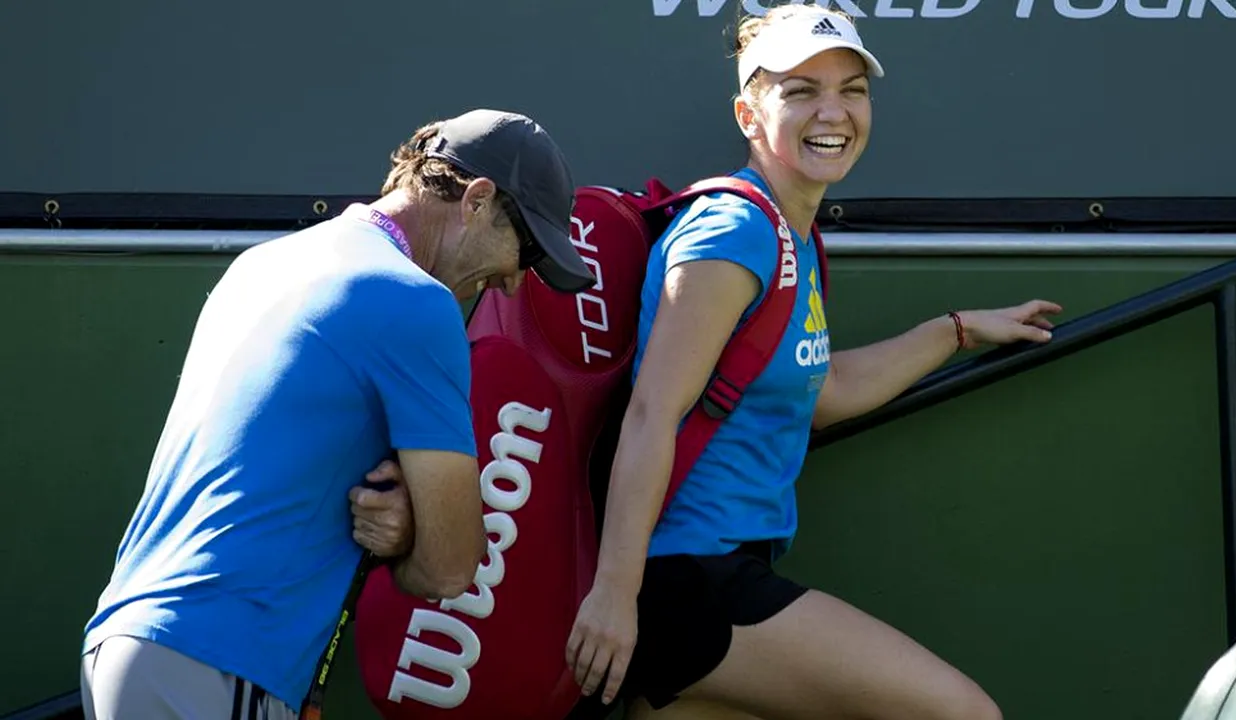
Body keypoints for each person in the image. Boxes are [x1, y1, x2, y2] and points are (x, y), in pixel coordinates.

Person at [561, 6, 1062, 720]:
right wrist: (614, 593)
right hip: (686, 581)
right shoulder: (732, 231)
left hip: (707, 577)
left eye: (852, 90)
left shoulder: (788, 234)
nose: (834, 111)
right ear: (749, 115)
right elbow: (652, 413)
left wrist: (956, 331)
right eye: (801, 91)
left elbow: (828, 388)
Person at [78, 108, 597, 720]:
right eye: (527, 248)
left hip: (126, 646)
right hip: (219, 660)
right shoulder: (416, 303)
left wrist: (404, 524)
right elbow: (451, 566)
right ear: (477, 200)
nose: (514, 283)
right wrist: (413, 535)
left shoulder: (260, 265)